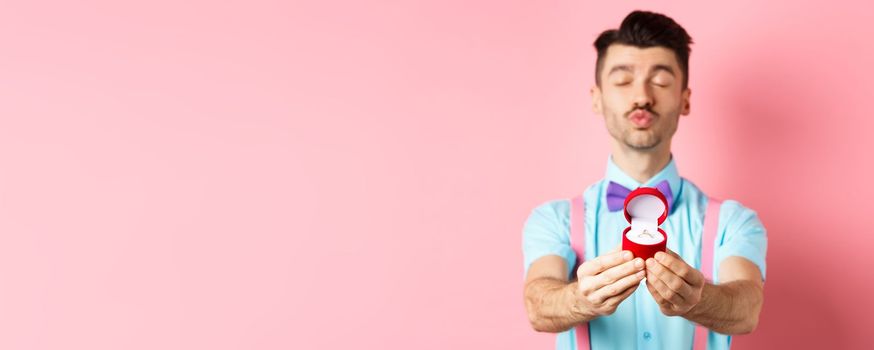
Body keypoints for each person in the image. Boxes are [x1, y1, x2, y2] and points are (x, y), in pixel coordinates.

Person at [521, 10, 767, 349]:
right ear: (597, 98)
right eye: (623, 81)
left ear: (685, 99)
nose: (642, 96)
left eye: (662, 81)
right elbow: (537, 304)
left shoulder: (734, 221)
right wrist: (581, 298)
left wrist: (698, 299)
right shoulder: (553, 220)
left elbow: (746, 309)